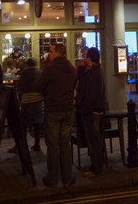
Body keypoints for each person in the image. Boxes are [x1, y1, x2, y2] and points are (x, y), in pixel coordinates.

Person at [36, 43, 77, 188]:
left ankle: (52, 178)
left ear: (58, 53)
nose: (50, 53)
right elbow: (73, 86)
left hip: (53, 110)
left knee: (53, 145)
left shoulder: (50, 69)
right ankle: (67, 177)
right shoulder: (72, 69)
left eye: (51, 51)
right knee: (64, 144)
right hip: (68, 110)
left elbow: (39, 86)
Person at [75, 47, 106, 177]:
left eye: (86, 56)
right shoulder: (93, 71)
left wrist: (85, 109)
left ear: (91, 58)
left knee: (93, 140)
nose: (84, 58)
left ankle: (96, 168)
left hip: (91, 112)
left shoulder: (94, 74)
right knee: (93, 140)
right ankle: (96, 165)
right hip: (92, 110)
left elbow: (90, 94)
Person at [8, 58, 44, 153]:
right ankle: (37, 144)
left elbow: (21, 87)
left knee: (23, 124)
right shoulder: (40, 72)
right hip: (38, 99)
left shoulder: (24, 73)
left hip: (27, 99)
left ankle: (20, 145)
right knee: (37, 123)